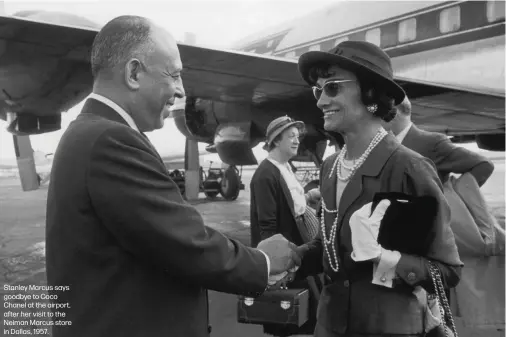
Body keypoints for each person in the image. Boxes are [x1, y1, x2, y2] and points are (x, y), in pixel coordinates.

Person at [45, 16, 304, 337]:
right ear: (134, 72)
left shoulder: (90, 133)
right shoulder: (111, 140)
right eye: (175, 75)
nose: (181, 91)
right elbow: (186, 242)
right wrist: (263, 262)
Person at [291, 40, 463, 337]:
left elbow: (447, 272)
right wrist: (291, 259)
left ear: (370, 94)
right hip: (330, 327)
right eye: (318, 90)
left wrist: (385, 259)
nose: (320, 102)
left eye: (332, 87)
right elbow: (330, 246)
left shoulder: (409, 169)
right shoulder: (331, 167)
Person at [250, 115, 322, 336]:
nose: (296, 140)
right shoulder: (265, 174)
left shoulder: (284, 167)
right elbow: (267, 226)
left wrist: (309, 196)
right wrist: (276, 268)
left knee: (302, 314)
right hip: (285, 257)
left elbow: (291, 204)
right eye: (290, 136)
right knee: (285, 316)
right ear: (275, 140)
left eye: (297, 137)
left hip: (297, 251)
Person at [384, 96, 494, 186]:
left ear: (395, 113)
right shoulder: (382, 143)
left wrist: (452, 196)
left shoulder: (431, 143)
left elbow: (483, 165)